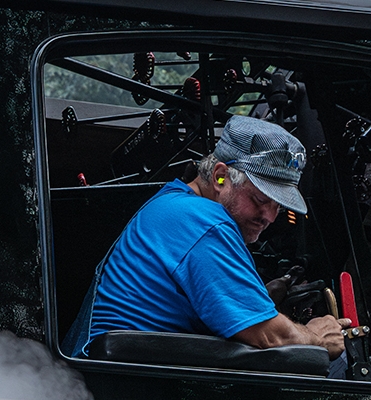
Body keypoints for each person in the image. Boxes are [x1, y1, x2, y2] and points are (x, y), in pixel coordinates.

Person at [76, 115, 344, 360]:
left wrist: (259, 299)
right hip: (127, 383)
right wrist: (318, 337)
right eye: (260, 200)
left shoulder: (176, 201)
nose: (270, 217)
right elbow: (272, 337)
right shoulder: (204, 222)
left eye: (278, 206)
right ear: (219, 177)